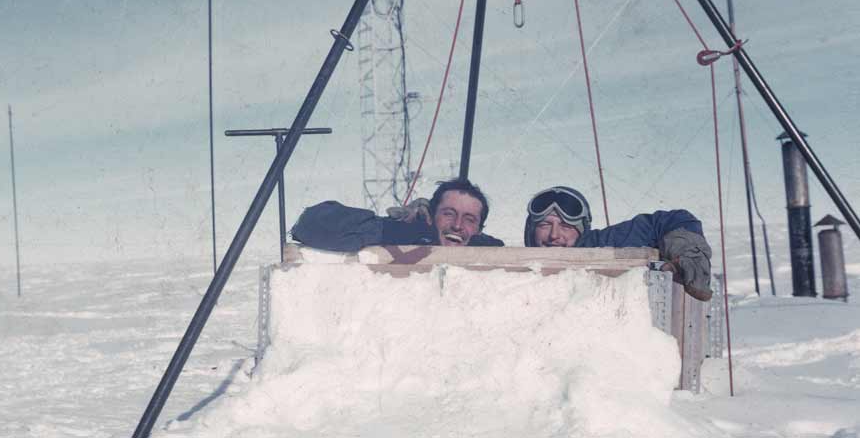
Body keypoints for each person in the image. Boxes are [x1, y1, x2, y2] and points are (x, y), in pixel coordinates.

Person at [523, 186, 713, 301]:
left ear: (582, 230)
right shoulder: (512, 266)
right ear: (531, 229)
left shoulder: (596, 245)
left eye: (565, 226)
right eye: (545, 225)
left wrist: (690, 253)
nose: (554, 235)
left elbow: (672, 220)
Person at [291, 178, 504, 252]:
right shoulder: (405, 234)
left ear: (479, 229)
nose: (457, 225)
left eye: (469, 219)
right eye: (449, 214)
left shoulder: (490, 250)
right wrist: (391, 229)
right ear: (430, 216)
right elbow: (311, 223)